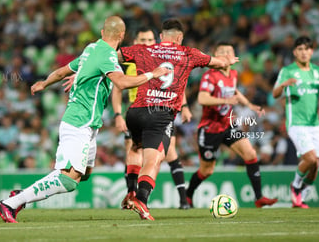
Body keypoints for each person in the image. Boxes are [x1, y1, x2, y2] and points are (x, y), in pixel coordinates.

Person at [0, 16, 170, 223]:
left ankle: (22, 196)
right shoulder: (107, 56)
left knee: (84, 173)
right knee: (69, 180)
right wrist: (153, 74)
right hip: (79, 121)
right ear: (122, 36)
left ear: (103, 32)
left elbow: (62, 72)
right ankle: (11, 203)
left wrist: (44, 83)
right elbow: (121, 82)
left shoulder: (91, 49)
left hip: (89, 123)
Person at [118, 19, 238, 220]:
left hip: (135, 112)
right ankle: (141, 198)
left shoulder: (143, 50)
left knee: (135, 147)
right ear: (180, 37)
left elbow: (114, 56)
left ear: (161, 36)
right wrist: (227, 61)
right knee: (154, 159)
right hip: (160, 114)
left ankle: (131, 190)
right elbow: (217, 63)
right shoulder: (188, 53)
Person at [185, 42, 278, 208]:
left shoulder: (234, 74)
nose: (227, 54)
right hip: (210, 129)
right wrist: (226, 100)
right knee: (207, 171)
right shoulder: (210, 76)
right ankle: (188, 195)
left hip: (228, 125)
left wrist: (249, 105)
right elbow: (202, 99)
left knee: (250, 153)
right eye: (223, 52)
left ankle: (259, 198)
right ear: (217, 57)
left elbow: (234, 91)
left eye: (230, 51)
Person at [112, 26, 191, 210]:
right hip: (137, 113)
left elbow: (177, 84)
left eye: (149, 40)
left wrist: (185, 107)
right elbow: (117, 89)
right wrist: (117, 114)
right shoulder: (129, 64)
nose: (146, 43)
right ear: (135, 43)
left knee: (170, 153)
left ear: (155, 42)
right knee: (134, 153)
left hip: (161, 112)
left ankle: (183, 200)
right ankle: (133, 195)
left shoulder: (161, 58)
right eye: (142, 40)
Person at [272, 36, 319, 208]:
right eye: (300, 49)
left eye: (306, 49)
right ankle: (295, 185)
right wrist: (284, 85)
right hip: (296, 123)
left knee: (315, 165)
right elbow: (275, 94)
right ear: (294, 52)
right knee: (311, 159)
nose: (304, 53)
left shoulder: (318, 71)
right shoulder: (287, 71)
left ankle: (301, 194)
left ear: (311, 52)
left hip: (314, 124)